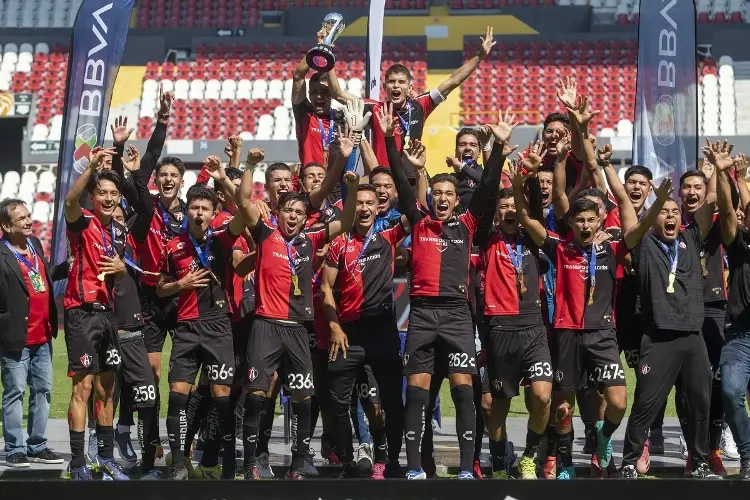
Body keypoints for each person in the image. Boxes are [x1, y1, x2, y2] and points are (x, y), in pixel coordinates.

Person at [382, 104, 514, 480]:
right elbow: (399, 178)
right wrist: (393, 139)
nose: (440, 199)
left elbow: (488, 187)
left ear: (457, 199)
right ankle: (413, 471)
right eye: (436, 193)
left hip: (457, 315)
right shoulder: (420, 222)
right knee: (418, 394)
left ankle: (467, 470)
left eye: (447, 194)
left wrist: (499, 148)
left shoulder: (469, 224)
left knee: (463, 393)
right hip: (422, 313)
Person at [241, 135, 360, 480]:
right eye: (287, 211)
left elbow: (347, 222)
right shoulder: (265, 234)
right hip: (266, 324)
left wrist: (350, 190)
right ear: (277, 212)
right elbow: (244, 200)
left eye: (298, 212)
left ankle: (300, 460)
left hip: (298, 328)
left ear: (305, 217)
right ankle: (253, 460)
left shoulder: (312, 237)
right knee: (258, 392)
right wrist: (249, 165)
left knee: (305, 395)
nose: (292, 216)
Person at [618, 140, 724, 480]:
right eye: (665, 211)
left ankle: (700, 462)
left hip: (693, 337)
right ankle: (629, 461)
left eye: (675, 211)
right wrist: (657, 202)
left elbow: (708, 205)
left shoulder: (692, 239)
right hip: (658, 337)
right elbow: (631, 225)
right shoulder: (646, 241)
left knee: (701, 404)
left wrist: (717, 171)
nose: (671, 215)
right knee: (646, 404)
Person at [156, 158, 255, 480]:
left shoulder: (222, 240)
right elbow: (159, 289)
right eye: (194, 208)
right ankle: (178, 464)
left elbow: (245, 214)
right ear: (187, 212)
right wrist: (179, 285)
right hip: (186, 329)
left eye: (204, 208)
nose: (198, 213)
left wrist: (226, 178)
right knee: (179, 396)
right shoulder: (173, 247)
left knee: (222, 397)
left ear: (213, 214)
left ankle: (222, 465)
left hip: (218, 327)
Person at [321, 175, 414, 478]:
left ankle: (389, 459)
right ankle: (347, 462)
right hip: (347, 333)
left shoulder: (388, 236)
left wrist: (415, 173)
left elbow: (414, 211)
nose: (363, 208)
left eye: (369, 203)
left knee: (389, 402)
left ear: (378, 207)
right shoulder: (339, 243)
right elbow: (325, 289)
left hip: (382, 329)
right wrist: (334, 327)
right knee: (336, 402)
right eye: (358, 202)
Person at [476, 142, 553, 480]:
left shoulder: (533, 238)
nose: (509, 211)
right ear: (496, 213)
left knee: (541, 395)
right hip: (500, 329)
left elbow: (530, 208)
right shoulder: (485, 239)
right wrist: (494, 155)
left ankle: (529, 457)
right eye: (503, 206)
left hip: (533, 327)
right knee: (496, 406)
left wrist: (528, 177)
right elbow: (485, 194)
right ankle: (499, 458)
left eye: (513, 206)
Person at [328, 27, 496, 174]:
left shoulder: (420, 105)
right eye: (392, 82)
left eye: (401, 82)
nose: (396, 86)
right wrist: (327, 51)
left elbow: (453, 81)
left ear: (409, 87)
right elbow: (338, 94)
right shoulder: (375, 108)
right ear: (385, 86)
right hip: (382, 180)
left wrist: (479, 56)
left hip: (411, 181)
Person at [63, 148, 128, 480]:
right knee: (83, 389)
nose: (108, 198)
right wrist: (90, 167)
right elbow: (69, 201)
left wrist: (121, 269)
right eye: (102, 192)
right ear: (93, 195)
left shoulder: (113, 233)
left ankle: (105, 458)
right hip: (82, 315)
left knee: (107, 389)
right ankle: (77, 463)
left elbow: (119, 273)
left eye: (113, 194)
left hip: (107, 317)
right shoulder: (82, 221)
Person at [0, 199, 64, 468]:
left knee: (43, 391)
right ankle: (14, 449)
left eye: (28, 216)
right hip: (15, 338)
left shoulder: (35, 245)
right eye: (22, 219)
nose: (29, 221)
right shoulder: (2, 254)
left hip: (43, 336)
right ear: (5, 225)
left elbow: (46, 274)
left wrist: (70, 266)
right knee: (15, 393)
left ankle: (37, 445)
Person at [715, 145, 750, 479]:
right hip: (740, 334)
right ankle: (748, 455)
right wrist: (730, 177)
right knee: (730, 391)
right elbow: (727, 212)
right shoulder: (741, 246)